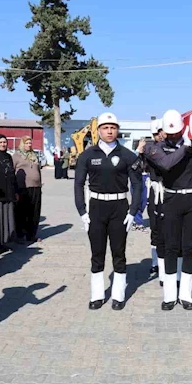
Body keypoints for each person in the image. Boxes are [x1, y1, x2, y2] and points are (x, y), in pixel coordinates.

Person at [146, 109, 192, 311]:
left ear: (183, 129)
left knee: (189, 246)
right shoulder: (155, 148)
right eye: (169, 133)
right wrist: (185, 147)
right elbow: (166, 165)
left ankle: (186, 294)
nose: (172, 136)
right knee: (171, 246)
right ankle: (169, 295)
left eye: (176, 132)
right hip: (171, 199)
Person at [74, 113, 143, 311]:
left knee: (118, 253)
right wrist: (82, 211)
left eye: (113, 127)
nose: (110, 131)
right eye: (105, 127)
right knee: (97, 253)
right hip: (96, 208)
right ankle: (97, 295)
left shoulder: (128, 155)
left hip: (119, 208)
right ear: (98, 131)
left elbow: (137, 185)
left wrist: (132, 211)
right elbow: (78, 184)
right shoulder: (87, 155)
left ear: (117, 130)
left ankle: (118, 295)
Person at [141, 120, 167, 279]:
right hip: (155, 189)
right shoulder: (151, 148)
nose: (161, 135)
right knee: (155, 226)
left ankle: (165, 261)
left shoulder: (171, 147)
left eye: (162, 132)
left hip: (168, 191)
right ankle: (155, 262)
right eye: (159, 133)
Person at [13, 136, 43, 243]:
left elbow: (38, 170)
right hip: (23, 188)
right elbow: (12, 171)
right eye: (27, 143)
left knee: (34, 212)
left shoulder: (33, 155)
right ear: (22, 144)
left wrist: (40, 183)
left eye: (30, 143)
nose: (29, 145)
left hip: (36, 187)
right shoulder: (17, 156)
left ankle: (31, 235)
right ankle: (20, 235)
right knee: (22, 212)